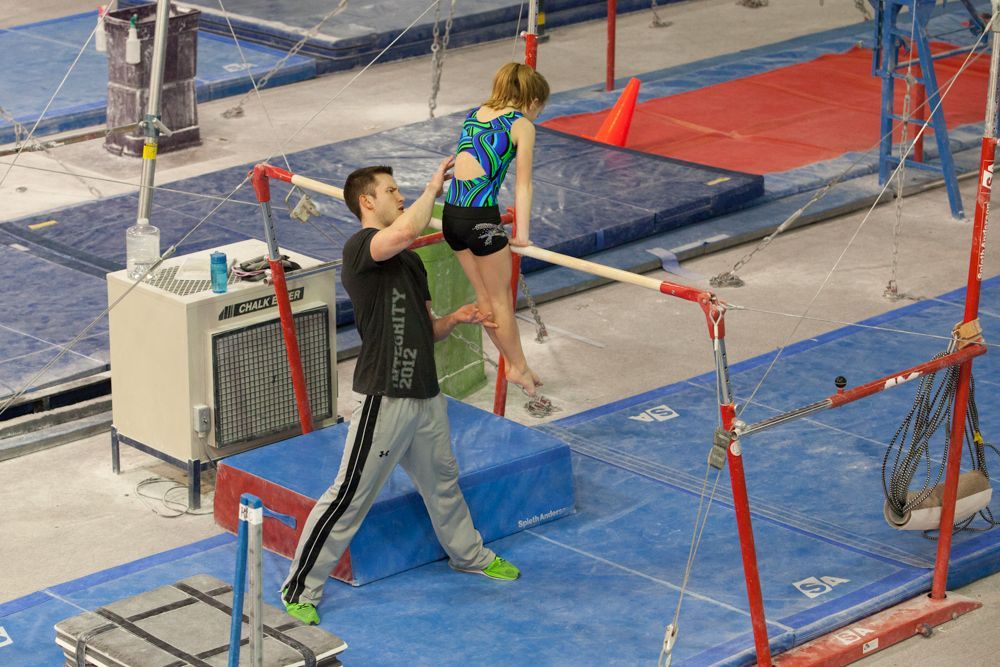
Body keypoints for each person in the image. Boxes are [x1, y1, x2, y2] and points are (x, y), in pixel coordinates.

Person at [280, 158, 520, 626]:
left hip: (426, 394)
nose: (401, 197)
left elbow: (428, 331)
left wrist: (457, 318)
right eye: (392, 191)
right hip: (386, 393)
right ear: (367, 201)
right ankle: (299, 587)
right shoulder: (361, 248)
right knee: (349, 494)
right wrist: (435, 186)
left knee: (443, 483)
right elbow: (403, 233)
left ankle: (468, 556)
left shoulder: (409, 262)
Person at [442, 62, 550, 396]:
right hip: (481, 221)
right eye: (540, 109)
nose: (537, 115)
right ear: (532, 101)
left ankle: (517, 364)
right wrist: (521, 234)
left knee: (485, 299)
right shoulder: (521, 125)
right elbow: (524, 186)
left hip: (452, 218)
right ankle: (517, 367)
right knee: (501, 300)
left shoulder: (475, 113)